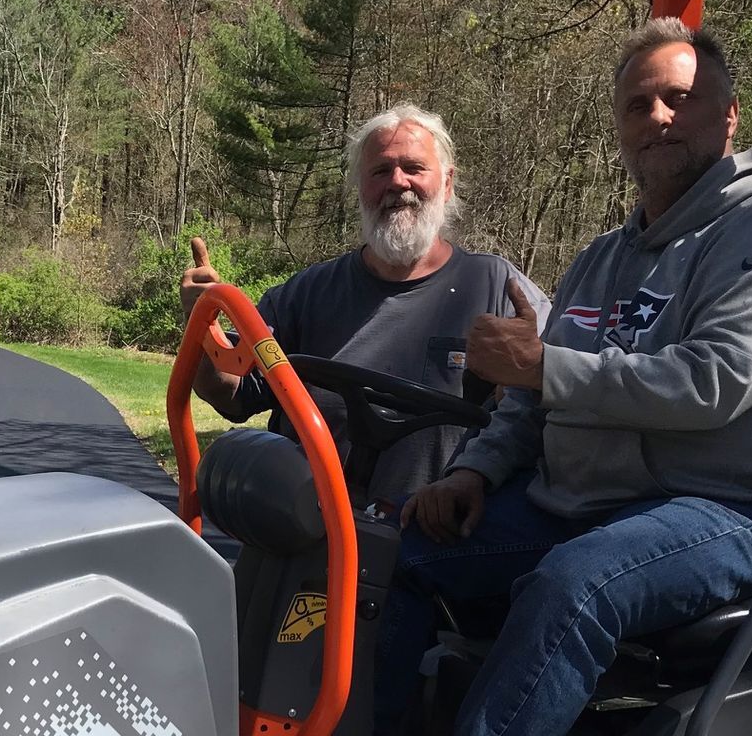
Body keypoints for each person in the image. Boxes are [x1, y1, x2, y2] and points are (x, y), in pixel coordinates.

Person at [297, 18, 752, 736]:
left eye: (680, 99)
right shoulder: (603, 258)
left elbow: (713, 382)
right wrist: (476, 472)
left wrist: (545, 366)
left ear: (727, 116)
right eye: (639, 103)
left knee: (578, 584)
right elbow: (532, 397)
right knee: (393, 553)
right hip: (598, 500)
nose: (658, 116)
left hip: (745, 507)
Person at [180, 104, 547, 512]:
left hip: (438, 535)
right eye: (380, 171)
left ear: (446, 184)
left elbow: (548, 401)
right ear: (360, 187)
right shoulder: (308, 293)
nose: (397, 182)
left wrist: (530, 373)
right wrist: (201, 326)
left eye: (414, 168)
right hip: (309, 529)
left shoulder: (499, 289)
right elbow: (231, 394)